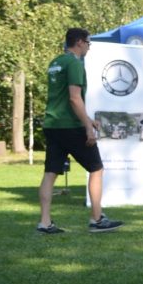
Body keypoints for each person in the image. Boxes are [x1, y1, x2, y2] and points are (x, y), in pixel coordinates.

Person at [37, 28, 123, 234]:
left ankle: (45, 222)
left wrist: (89, 120)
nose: (89, 47)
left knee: (50, 173)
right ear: (78, 42)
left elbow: (61, 99)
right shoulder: (75, 64)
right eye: (88, 43)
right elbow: (74, 98)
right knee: (96, 169)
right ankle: (96, 219)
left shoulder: (55, 63)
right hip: (71, 127)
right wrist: (87, 127)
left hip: (53, 125)